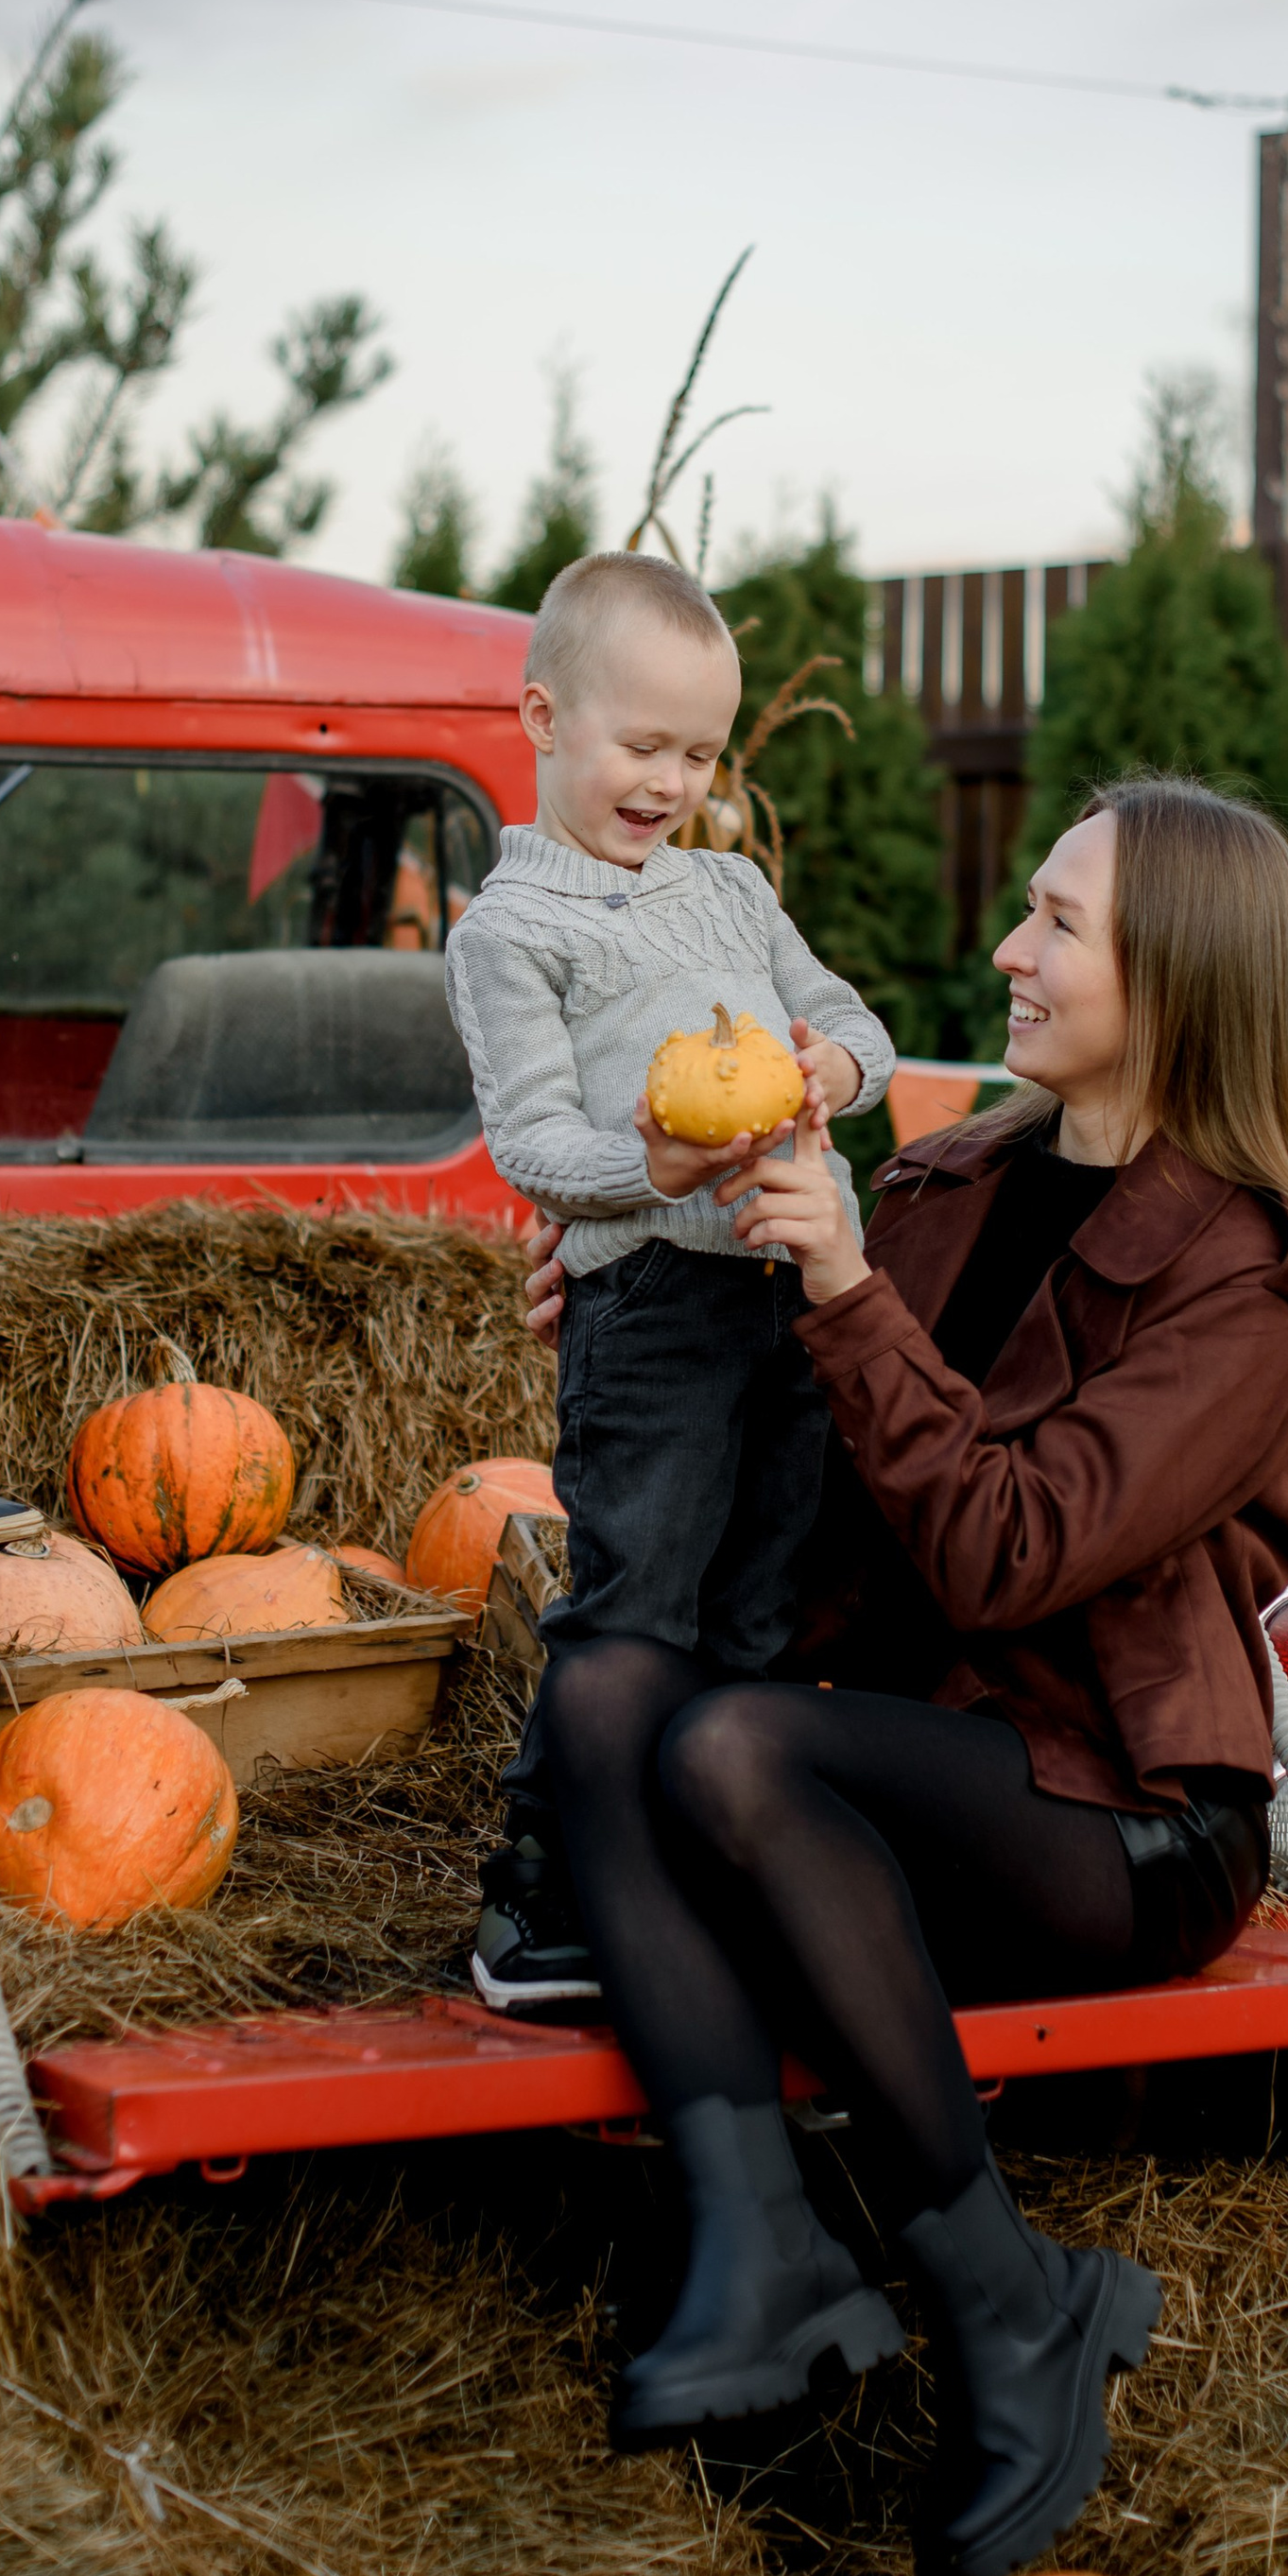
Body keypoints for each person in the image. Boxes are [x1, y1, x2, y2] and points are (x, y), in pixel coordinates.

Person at [520, 773, 1288, 2576]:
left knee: (735, 1755)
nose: (1010, 949)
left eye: (1059, 923)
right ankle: (757, 2243)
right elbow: (816, 1432)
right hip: (886, 1753)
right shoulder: (949, 1179)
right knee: (610, 1704)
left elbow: (1009, 1546)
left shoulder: (1249, 1284)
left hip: (1108, 1808)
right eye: (1030, 911)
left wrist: (834, 1285)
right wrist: (641, 1283)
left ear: (1183, 978)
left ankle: (1010, 2302)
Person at [442, 551, 897, 2012]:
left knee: (758, 1605)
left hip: (786, 1291)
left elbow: (855, 1024)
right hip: (647, 1310)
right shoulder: (512, 932)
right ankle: (539, 1893)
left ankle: (707, 1870)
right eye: (644, 746)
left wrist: (828, 1063)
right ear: (543, 716)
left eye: (700, 754)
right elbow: (532, 1142)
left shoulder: (729, 889)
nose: (670, 783)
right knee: (634, 1604)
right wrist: (659, 1164)